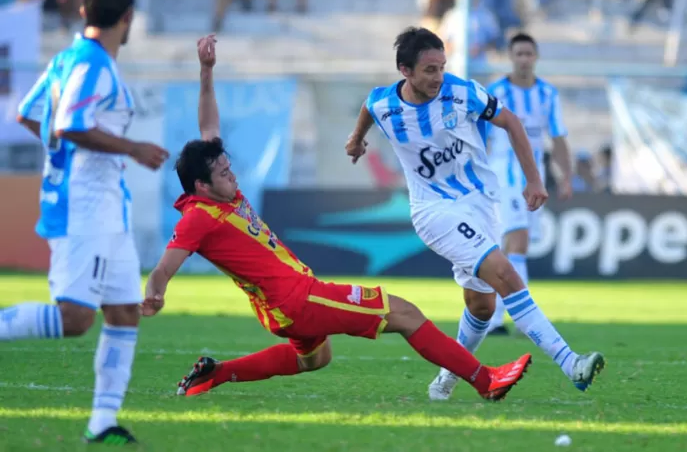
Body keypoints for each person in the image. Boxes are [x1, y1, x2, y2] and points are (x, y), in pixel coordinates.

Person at [143, 35, 532, 403]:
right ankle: (486, 380)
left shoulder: (216, 189)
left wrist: (206, 71)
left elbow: (209, 128)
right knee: (405, 313)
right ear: (201, 185)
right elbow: (165, 265)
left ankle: (217, 373)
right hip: (298, 299)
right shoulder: (197, 218)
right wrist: (155, 292)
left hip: (280, 307)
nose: (234, 176)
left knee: (314, 359)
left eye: (230, 167)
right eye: (225, 174)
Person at [344, 27, 605, 402]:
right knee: (506, 273)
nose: (438, 77)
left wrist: (534, 180)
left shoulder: (462, 91)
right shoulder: (386, 104)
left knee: (481, 306)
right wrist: (356, 139)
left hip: (482, 204)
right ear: (405, 70)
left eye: (441, 67)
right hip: (434, 210)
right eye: (429, 70)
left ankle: (445, 382)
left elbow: (511, 122)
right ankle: (571, 363)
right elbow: (370, 108)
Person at [4, 0, 170, 445]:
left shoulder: (67, 59)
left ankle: (102, 420)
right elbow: (72, 123)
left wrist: (60, 152)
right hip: (85, 208)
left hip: (106, 211)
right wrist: (131, 147)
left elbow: (28, 113)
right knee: (76, 318)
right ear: (128, 17)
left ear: (82, 11)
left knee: (123, 313)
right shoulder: (94, 64)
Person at [479, 33, 573, 337]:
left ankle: (494, 317)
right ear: (510, 57)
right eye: (518, 54)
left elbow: (557, 137)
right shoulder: (495, 91)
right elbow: (481, 138)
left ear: (536, 57)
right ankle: (523, 317)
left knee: (513, 247)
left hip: (535, 176)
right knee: (516, 242)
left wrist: (566, 176)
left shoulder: (548, 93)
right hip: (504, 175)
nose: (523, 59)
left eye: (528, 54)